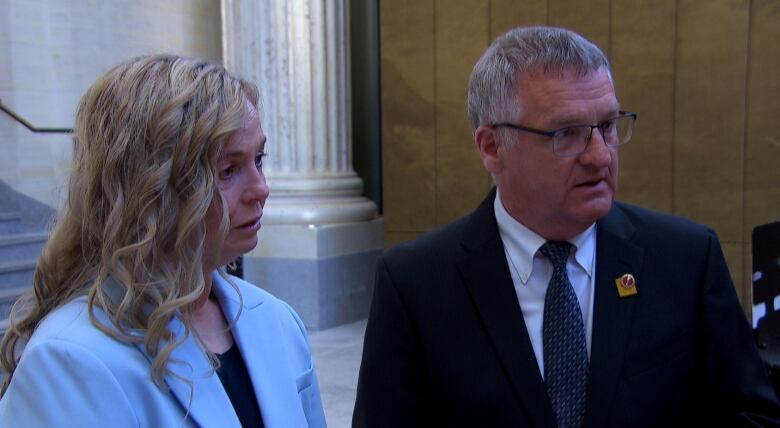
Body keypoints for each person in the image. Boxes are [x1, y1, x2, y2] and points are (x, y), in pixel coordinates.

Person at [353, 26, 780, 427]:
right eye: (566, 134)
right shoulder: (416, 284)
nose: (600, 156)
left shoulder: (686, 259)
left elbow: (753, 416)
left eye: (608, 126)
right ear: (492, 146)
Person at [0, 55, 326, 427]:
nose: (261, 189)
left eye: (259, 159)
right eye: (228, 170)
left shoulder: (277, 320)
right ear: (148, 188)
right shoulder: (69, 361)